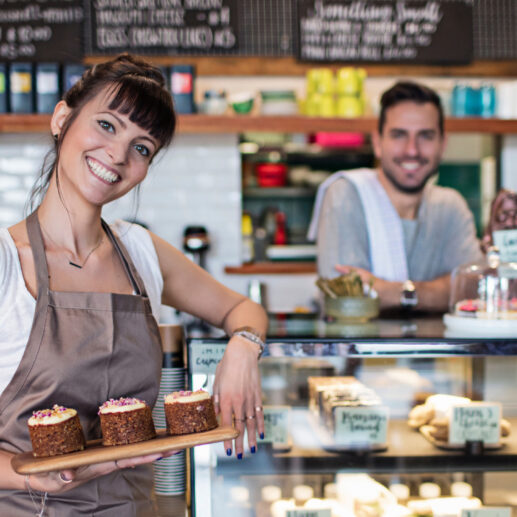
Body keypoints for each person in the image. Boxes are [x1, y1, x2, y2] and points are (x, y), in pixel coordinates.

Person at [0, 54, 267, 515]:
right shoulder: (6, 262)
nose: (119, 155)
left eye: (142, 147)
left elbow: (242, 309)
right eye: (106, 125)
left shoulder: (141, 251)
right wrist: (24, 471)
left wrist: (243, 347)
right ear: (62, 118)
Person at [308, 81, 483, 312]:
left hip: (442, 348)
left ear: (443, 144)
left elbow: (473, 289)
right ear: (378, 143)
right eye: (399, 135)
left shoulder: (450, 206)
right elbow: (346, 300)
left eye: (426, 136)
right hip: (359, 348)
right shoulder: (345, 194)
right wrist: (438, 291)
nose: (412, 150)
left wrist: (391, 292)